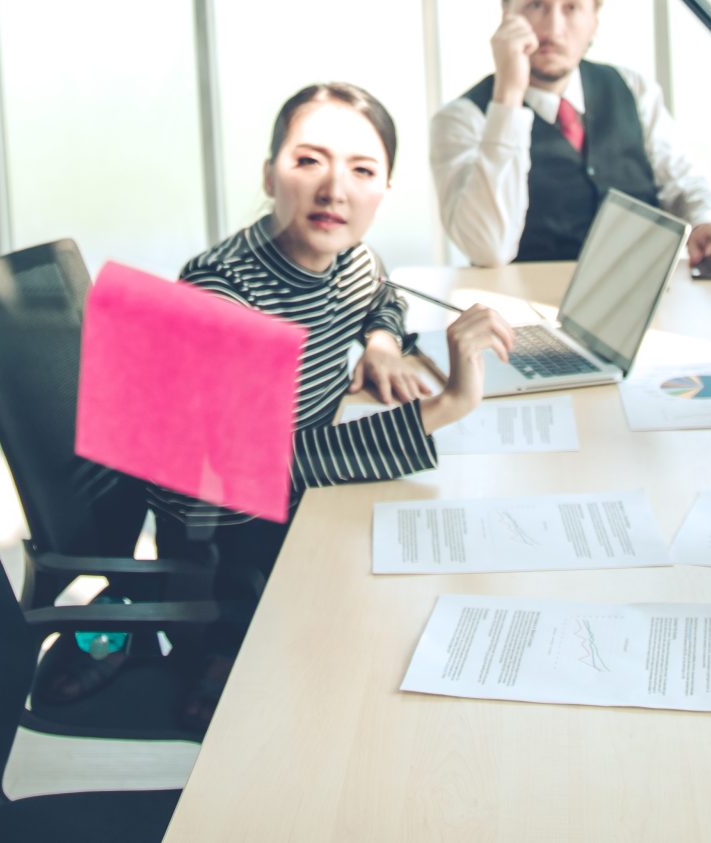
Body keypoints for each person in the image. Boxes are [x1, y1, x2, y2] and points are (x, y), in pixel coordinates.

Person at [153, 82, 514, 725]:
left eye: (362, 170)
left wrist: (379, 345)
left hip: (304, 505)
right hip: (229, 553)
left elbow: (384, 295)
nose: (334, 189)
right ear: (269, 175)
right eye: (308, 161)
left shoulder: (347, 257)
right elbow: (260, 467)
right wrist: (447, 404)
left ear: (384, 192)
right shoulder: (220, 292)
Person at [431, 0, 711, 270]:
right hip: (520, 308)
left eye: (572, 7)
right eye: (535, 4)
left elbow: (688, 183)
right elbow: (489, 249)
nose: (553, 28)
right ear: (506, 14)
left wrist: (709, 221)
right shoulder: (462, 118)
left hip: (638, 298)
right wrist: (507, 99)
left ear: (594, 21)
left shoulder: (634, 89)